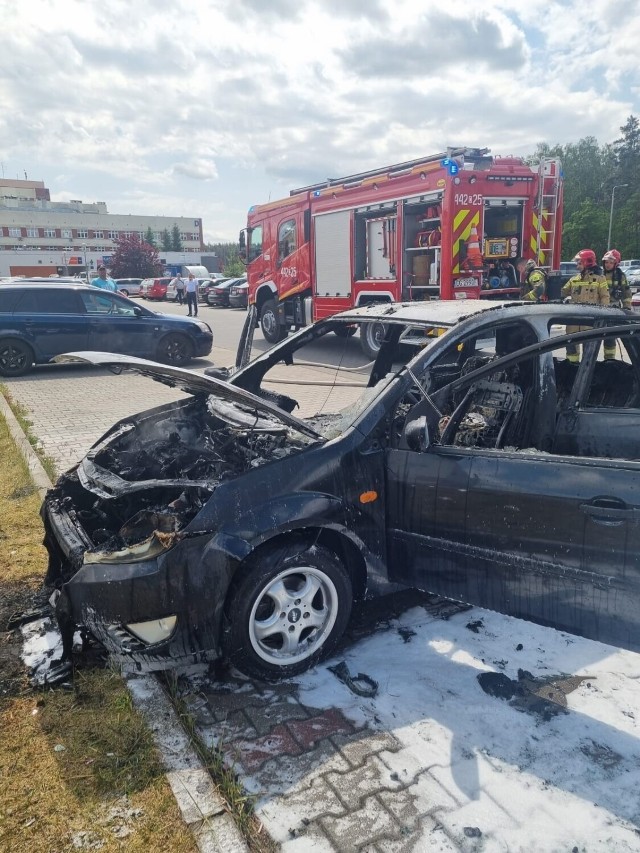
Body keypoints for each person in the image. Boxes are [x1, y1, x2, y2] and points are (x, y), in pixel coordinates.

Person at [561, 249, 609, 363]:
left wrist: (603, 317)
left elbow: (605, 298)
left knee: (589, 352)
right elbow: (562, 292)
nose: (577, 266)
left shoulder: (599, 279)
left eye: (579, 263)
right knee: (571, 349)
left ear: (587, 262)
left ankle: (586, 375)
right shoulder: (574, 279)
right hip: (573, 322)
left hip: (590, 322)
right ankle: (572, 369)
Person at [602, 249, 632, 360]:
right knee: (593, 339)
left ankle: (609, 360)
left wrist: (627, 308)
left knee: (610, 339)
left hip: (613, 310)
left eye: (610, 262)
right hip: (598, 310)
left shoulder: (620, 276)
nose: (608, 265)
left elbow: (626, 293)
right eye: (606, 262)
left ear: (616, 263)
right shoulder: (600, 275)